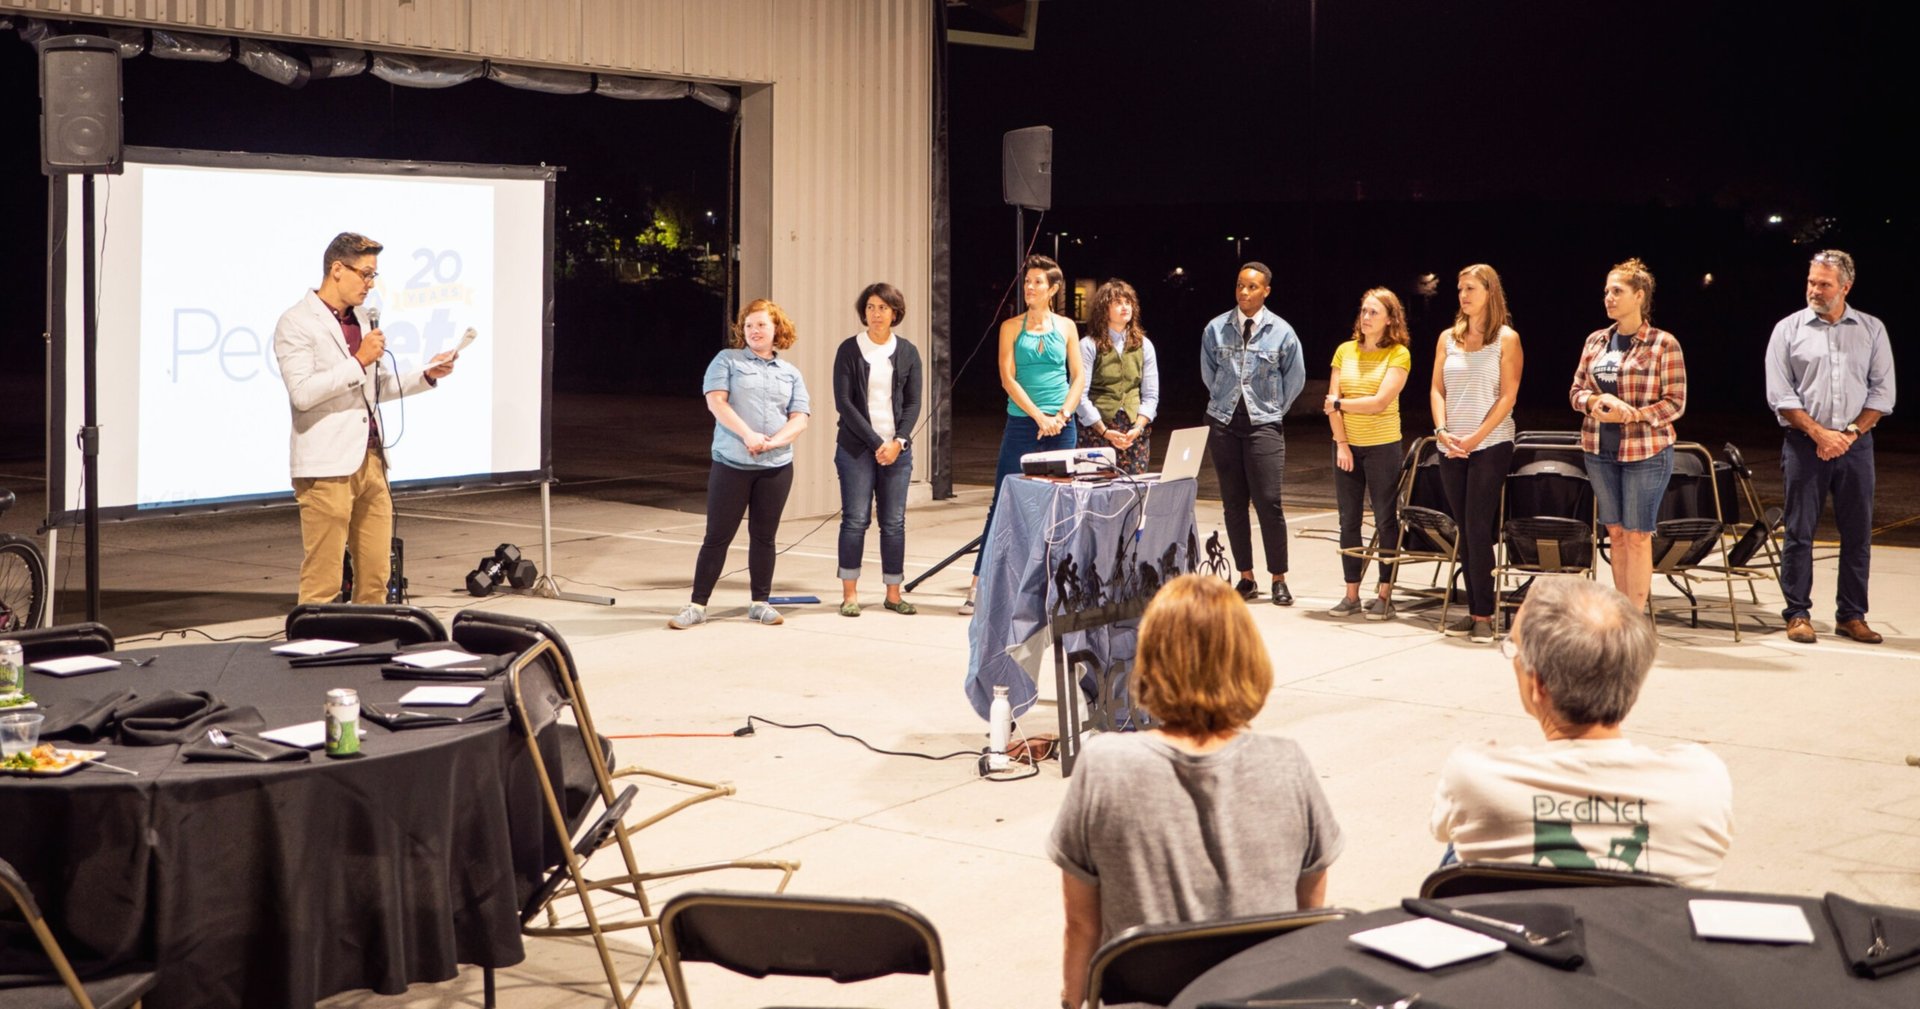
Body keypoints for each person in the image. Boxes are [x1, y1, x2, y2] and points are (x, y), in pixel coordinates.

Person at [1049, 574, 1342, 1008]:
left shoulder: (1104, 767)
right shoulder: (1289, 764)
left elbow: (1082, 929)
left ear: (1149, 661)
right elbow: (1304, 924)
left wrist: (1074, 1004)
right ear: (1247, 661)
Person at [1430, 576, 1734, 887]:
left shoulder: (1475, 776)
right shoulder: (1702, 782)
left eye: (1514, 649)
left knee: (1463, 845)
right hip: (1647, 931)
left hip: (1522, 929)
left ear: (1539, 684)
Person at [274, 232, 456, 605]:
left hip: (371, 461)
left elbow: (375, 387)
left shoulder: (361, 319)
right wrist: (359, 360)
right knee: (324, 577)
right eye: (366, 274)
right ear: (337, 269)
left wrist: (426, 375)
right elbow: (304, 394)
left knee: (376, 573)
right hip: (326, 467)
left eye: (374, 276)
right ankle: (313, 647)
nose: (370, 285)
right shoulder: (296, 322)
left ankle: (366, 647)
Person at [1764, 249, 1896, 645]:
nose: (1815, 290)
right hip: (1804, 444)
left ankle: (1851, 615)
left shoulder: (1872, 329)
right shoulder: (1787, 330)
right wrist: (1821, 434)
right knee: (1799, 532)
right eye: (1811, 282)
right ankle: (1798, 614)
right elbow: (1780, 395)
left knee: (1857, 534)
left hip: (1856, 447)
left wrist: (1849, 435)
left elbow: (1883, 393)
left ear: (1845, 287)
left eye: (1824, 284)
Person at [669, 299, 811, 629]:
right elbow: (716, 402)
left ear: (777, 329)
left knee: (765, 536)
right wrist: (748, 435)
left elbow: (800, 417)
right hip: (732, 463)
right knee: (717, 535)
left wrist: (774, 442)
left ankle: (760, 602)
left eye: (761, 325)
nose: (754, 331)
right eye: (748, 326)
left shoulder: (790, 373)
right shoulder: (727, 361)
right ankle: (697, 605)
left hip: (775, 466)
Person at [962, 255, 1084, 616]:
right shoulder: (1011, 327)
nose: (1030, 287)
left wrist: (1061, 415)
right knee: (1004, 502)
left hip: (1062, 427)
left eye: (1037, 282)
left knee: (1060, 507)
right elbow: (1007, 377)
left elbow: (1077, 377)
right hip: (1022, 425)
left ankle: (1057, 589)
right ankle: (979, 585)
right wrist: (1038, 417)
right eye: (1027, 281)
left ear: (1053, 289)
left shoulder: (1066, 327)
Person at [1569, 258, 1688, 612]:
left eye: (1617, 291)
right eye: (1606, 291)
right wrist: (1592, 401)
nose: (1608, 297)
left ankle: (1634, 619)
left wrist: (1632, 414)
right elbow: (1576, 389)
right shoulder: (1596, 341)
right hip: (1598, 449)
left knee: (1637, 535)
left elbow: (1675, 403)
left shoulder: (1663, 344)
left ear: (1639, 296)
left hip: (1645, 452)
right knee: (1615, 534)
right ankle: (1621, 613)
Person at [1200, 262, 1306, 605]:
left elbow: (1295, 379)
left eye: (1252, 287)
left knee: (1269, 502)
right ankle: (1246, 578)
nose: (1244, 293)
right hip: (1223, 423)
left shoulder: (1282, 332)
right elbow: (1209, 374)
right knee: (1233, 504)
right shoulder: (1216, 328)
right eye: (1240, 286)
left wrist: (1272, 409)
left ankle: (1279, 577)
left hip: (1264, 425)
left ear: (1266, 291)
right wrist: (1227, 404)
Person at [1429, 264, 1523, 643]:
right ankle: (1474, 609)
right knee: (1464, 529)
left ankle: (1484, 615)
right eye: (1459, 289)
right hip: (1450, 445)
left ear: (1489, 292)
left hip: (1490, 443)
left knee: (1477, 524)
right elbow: (1437, 390)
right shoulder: (1447, 338)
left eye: (1470, 288)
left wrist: (1476, 437)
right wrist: (1442, 431)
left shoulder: (1506, 339)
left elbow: (1508, 396)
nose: (1463, 295)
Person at [833, 283, 923, 617]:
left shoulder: (908, 351)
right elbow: (843, 402)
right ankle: (850, 594)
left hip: (897, 451)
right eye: (870, 307)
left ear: (895, 312)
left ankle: (893, 593)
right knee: (855, 520)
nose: (876, 314)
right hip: (856, 449)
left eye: (883, 308)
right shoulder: (849, 349)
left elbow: (913, 402)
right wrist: (876, 444)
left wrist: (898, 441)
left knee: (894, 522)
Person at [1324, 287, 1413, 620]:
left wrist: (1339, 404)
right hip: (1346, 445)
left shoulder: (1398, 354)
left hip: (1383, 447)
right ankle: (1351, 594)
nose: (1366, 317)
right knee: (1348, 520)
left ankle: (1384, 593)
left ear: (1390, 319)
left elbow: (1379, 403)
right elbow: (1330, 403)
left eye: (1374, 312)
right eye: (1363, 310)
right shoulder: (1344, 351)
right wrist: (1343, 443)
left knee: (1385, 519)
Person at [1074, 279, 1159, 474]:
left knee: (1133, 492)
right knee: (1097, 492)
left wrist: (1138, 428)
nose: (1125, 307)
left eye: (1128, 302)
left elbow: (1151, 394)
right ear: (1104, 309)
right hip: (1097, 429)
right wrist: (1103, 430)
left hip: (1133, 431)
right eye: (1118, 302)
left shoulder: (1144, 345)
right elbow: (1080, 395)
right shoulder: (1088, 345)